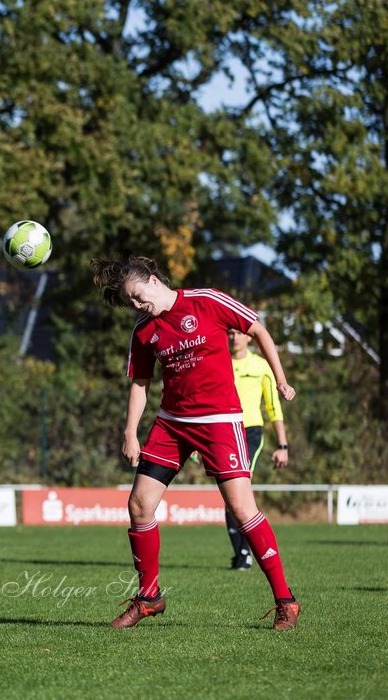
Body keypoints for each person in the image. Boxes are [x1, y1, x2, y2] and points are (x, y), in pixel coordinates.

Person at [91, 256, 299, 630]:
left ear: (154, 281)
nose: (138, 305)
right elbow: (140, 383)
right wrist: (129, 432)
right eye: (131, 302)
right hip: (172, 424)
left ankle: (286, 600)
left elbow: (259, 330)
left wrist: (281, 379)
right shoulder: (143, 331)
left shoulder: (206, 300)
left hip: (220, 421)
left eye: (138, 296)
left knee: (242, 510)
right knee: (139, 505)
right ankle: (150, 597)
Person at [224, 326, 290, 570]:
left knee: (239, 487)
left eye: (238, 333)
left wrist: (282, 445)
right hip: (223, 431)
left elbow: (274, 408)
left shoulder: (261, 366)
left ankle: (246, 553)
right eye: (229, 333)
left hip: (250, 432)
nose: (234, 338)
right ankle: (242, 553)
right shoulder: (219, 362)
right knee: (229, 496)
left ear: (248, 336)